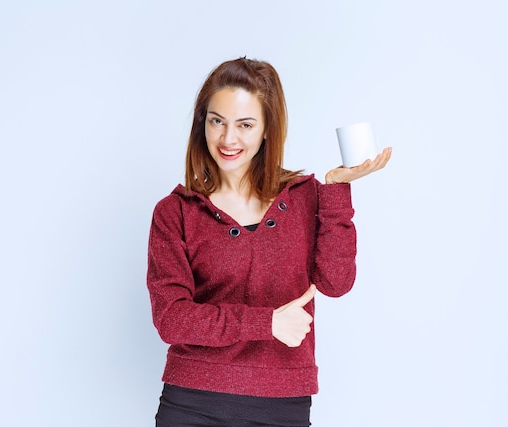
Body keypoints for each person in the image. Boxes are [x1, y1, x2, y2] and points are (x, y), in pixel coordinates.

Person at [147, 57, 392, 426]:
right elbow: (172, 320)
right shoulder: (175, 212)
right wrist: (265, 324)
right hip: (192, 403)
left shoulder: (305, 197)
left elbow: (336, 282)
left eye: (245, 125)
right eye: (218, 122)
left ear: (266, 130)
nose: (229, 139)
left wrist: (337, 191)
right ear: (203, 125)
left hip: (281, 406)